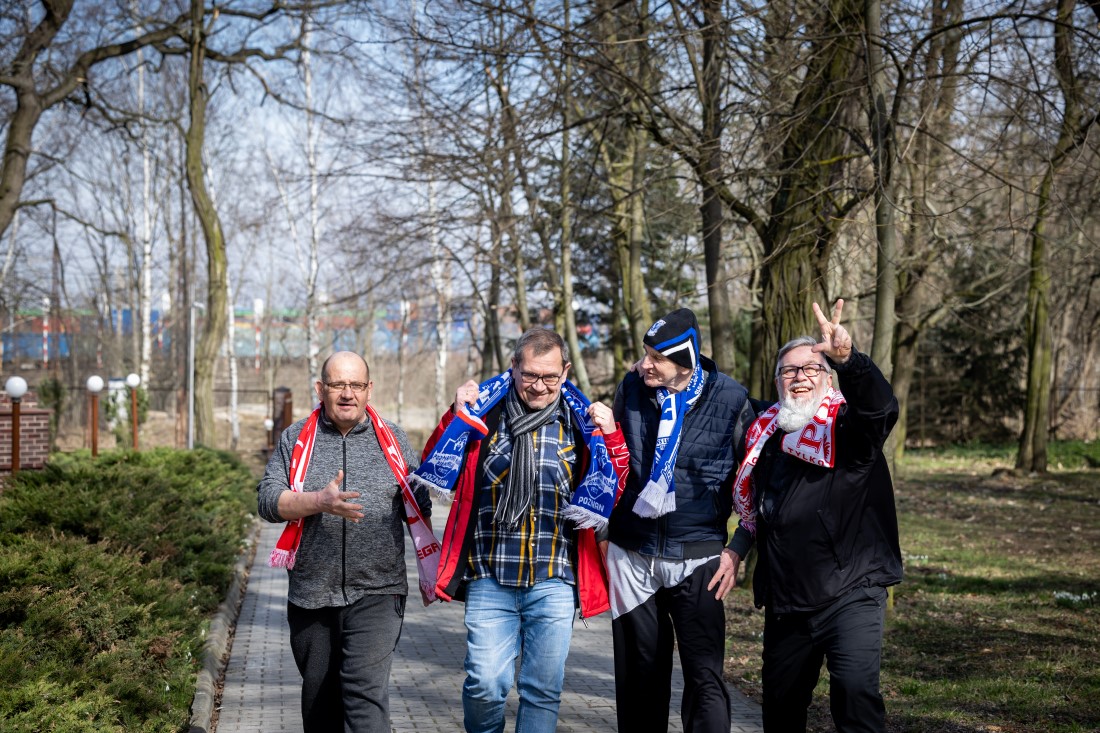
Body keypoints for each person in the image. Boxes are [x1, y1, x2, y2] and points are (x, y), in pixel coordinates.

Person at [423, 328, 628, 733]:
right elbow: (436, 458)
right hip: (491, 575)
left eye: (550, 377)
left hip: (553, 578)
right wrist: (455, 412)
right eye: (530, 375)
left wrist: (612, 434)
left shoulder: (581, 423)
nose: (539, 386)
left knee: (541, 690)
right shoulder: (485, 412)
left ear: (565, 372)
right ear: (514, 367)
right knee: (485, 685)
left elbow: (615, 487)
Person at [735, 299, 903, 732]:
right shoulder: (765, 436)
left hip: (851, 590)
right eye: (789, 371)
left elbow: (880, 409)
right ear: (776, 381)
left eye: (812, 369)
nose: (800, 378)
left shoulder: (848, 429)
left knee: (854, 697)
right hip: (788, 601)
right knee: (781, 707)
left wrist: (850, 360)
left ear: (829, 379)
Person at [256, 351, 432, 733]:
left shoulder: (395, 440)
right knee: (321, 704)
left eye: (356, 385)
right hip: (311, 593)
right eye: (338, 384)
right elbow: (268, 500)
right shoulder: (295, 438)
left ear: (369, 389)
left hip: (379, 591)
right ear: (321, 389)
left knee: (365, 696)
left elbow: (420, 503)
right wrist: (318, 501)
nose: (347, 393)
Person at [606, 308, 755, 733]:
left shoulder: (732, 399)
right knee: (640, 678)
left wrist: (738, 548)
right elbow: (610, 462)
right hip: (633, 556)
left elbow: (755, 483)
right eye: (643, 353)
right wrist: (602, 532)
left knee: (705, 678)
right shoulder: (632, 388)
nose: (643, 364)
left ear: (685, 361)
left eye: (656, 357)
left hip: (700, 558)